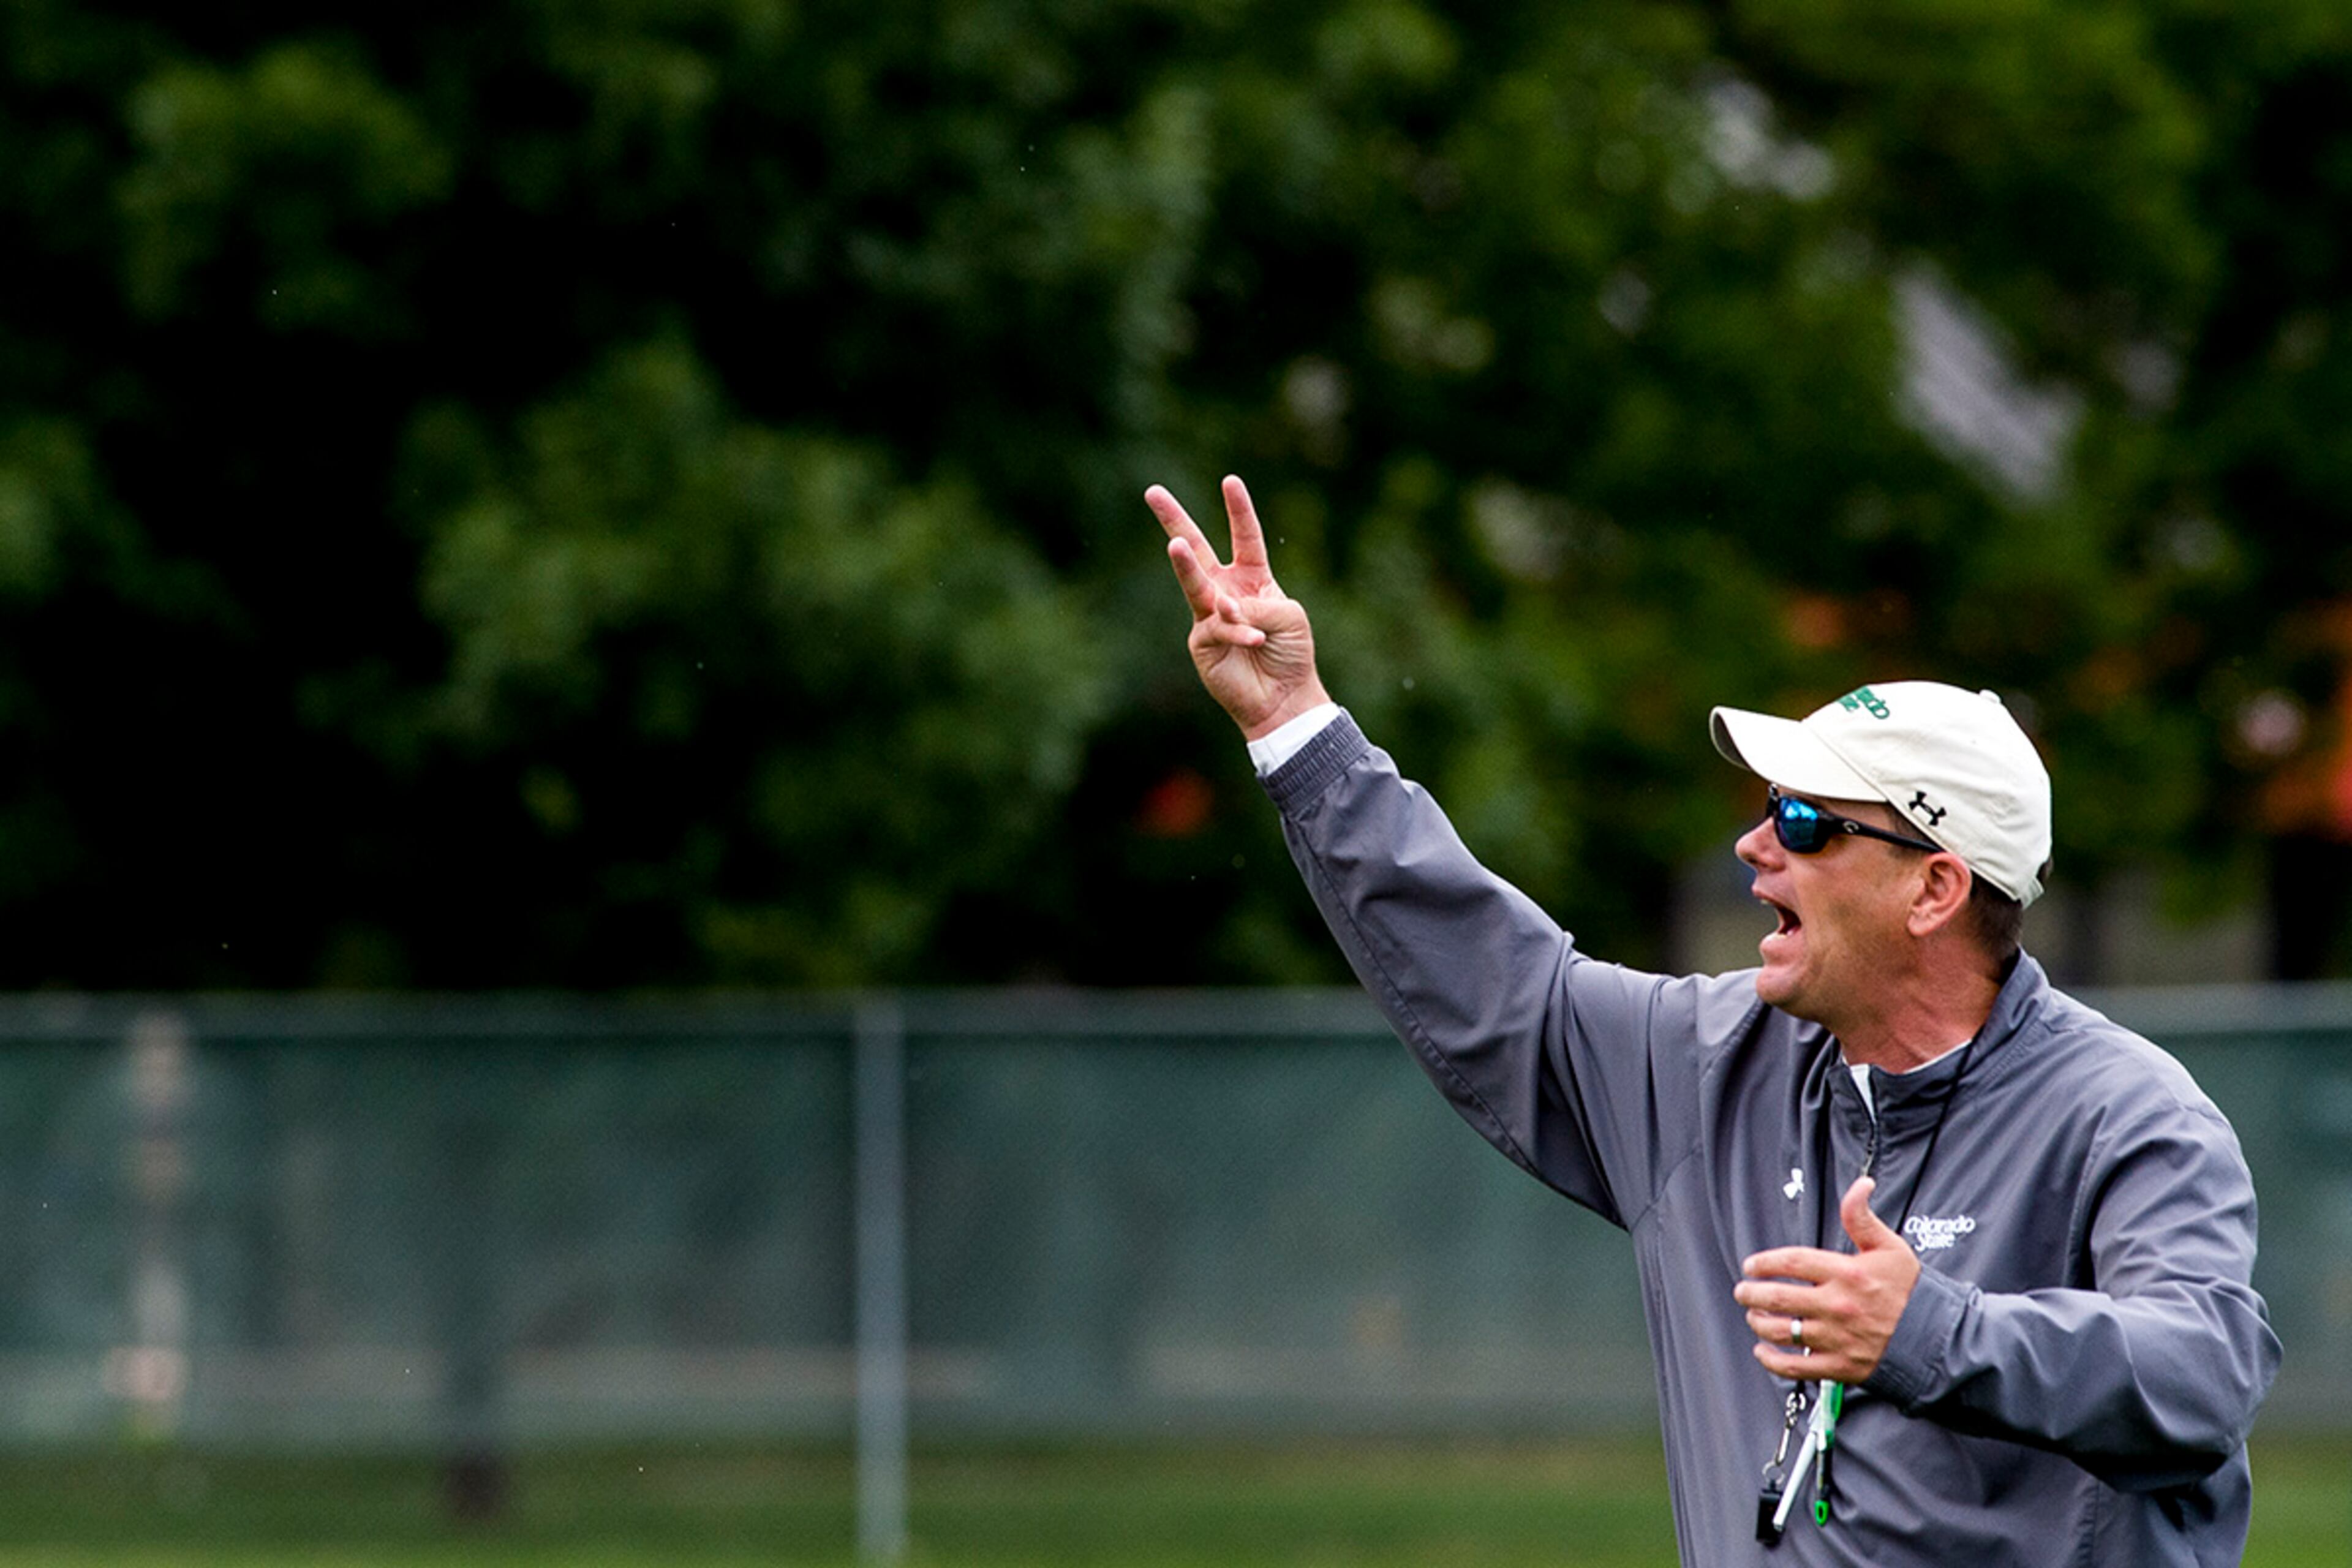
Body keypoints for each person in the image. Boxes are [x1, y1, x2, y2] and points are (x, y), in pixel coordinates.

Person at [1146, 474, 2281, 1567]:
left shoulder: (2127, 1114)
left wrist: (1935, 1334)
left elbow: (2203, 1371)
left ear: (1935, 889)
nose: (1755, 844)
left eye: (1805, 820)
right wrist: (1297, 725)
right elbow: (1500, 986)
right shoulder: (1708, 1061)